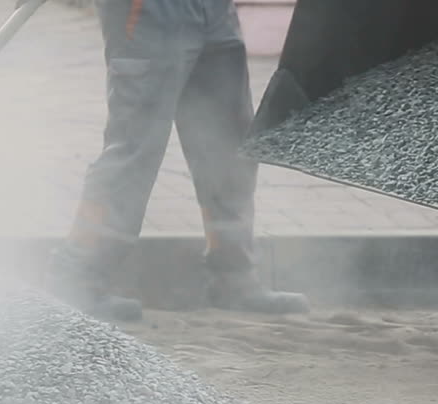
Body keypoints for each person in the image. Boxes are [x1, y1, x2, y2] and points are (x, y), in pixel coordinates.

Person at [44, 0, 309, 322]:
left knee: (229, 148)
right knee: (135, 149)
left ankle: (234, 278)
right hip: (147, 12)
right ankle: (78, 275)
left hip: (214, 10)